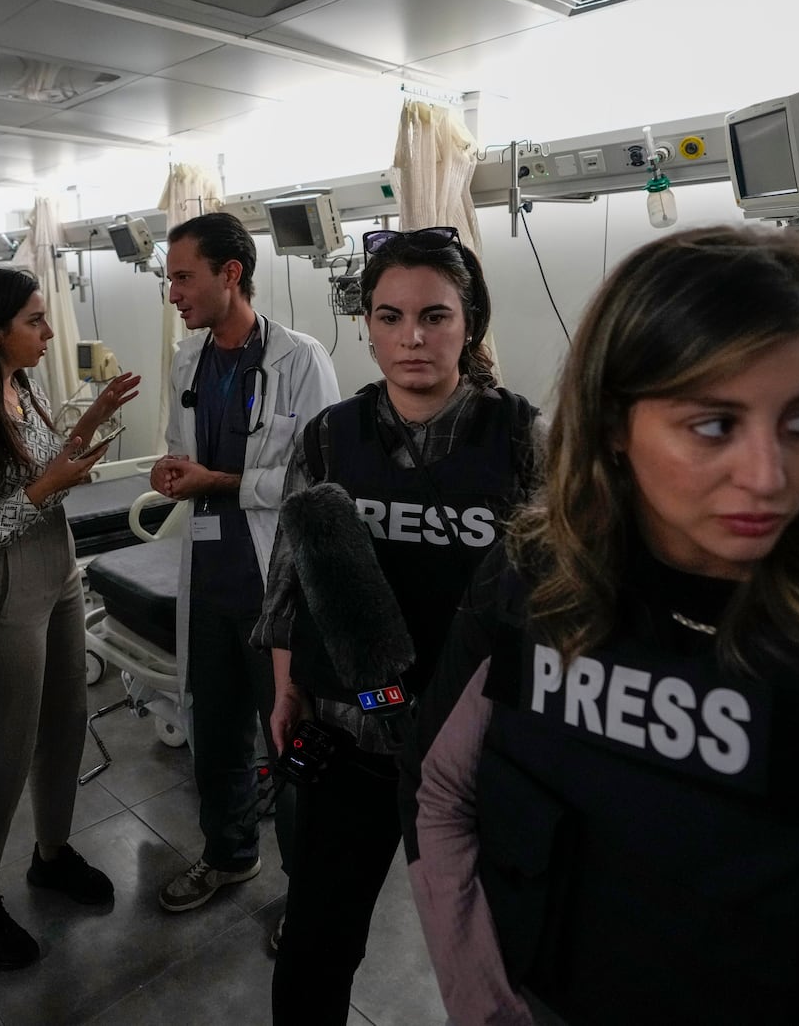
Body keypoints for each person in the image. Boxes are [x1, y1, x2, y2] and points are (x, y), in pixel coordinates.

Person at [405, 226, 799, 1025]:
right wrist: (487, 1010)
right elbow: (439, 795)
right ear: (615, 427)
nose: (769, 476)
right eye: (713, 425)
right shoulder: (531, 580)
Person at [255, 226, 542, 1024]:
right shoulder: (330, 438)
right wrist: (287, 691)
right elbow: (290, 582)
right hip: (354, 736)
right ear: (367, 324)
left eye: (435, 316)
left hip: (477, 750)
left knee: (502, 956)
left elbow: (558, 595)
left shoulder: (522, 438)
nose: (411, 337)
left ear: (469, 323)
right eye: (389, 316)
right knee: (317, 939)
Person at [0, 264, 140, 969]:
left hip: (56, 569)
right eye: (35, 321)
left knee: (67, 720)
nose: (47, 331)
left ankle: (52, 852)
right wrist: (44, 490)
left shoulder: (25, 386)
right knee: (1, 751)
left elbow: (48, 463)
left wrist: (94, 418)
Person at [151, 211, 340, 914]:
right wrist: (172, 473)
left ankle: (307, 890)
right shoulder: (186, 361)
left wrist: (222, 483)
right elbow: (180, 446)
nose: (173, 293)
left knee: (290, 742)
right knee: (215, 732)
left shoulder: (301, 359)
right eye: (169, 277)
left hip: (277, 587)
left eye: (182, 276)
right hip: (207, 579)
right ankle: (229, 854)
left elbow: (321, 485)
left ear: (231, 273)